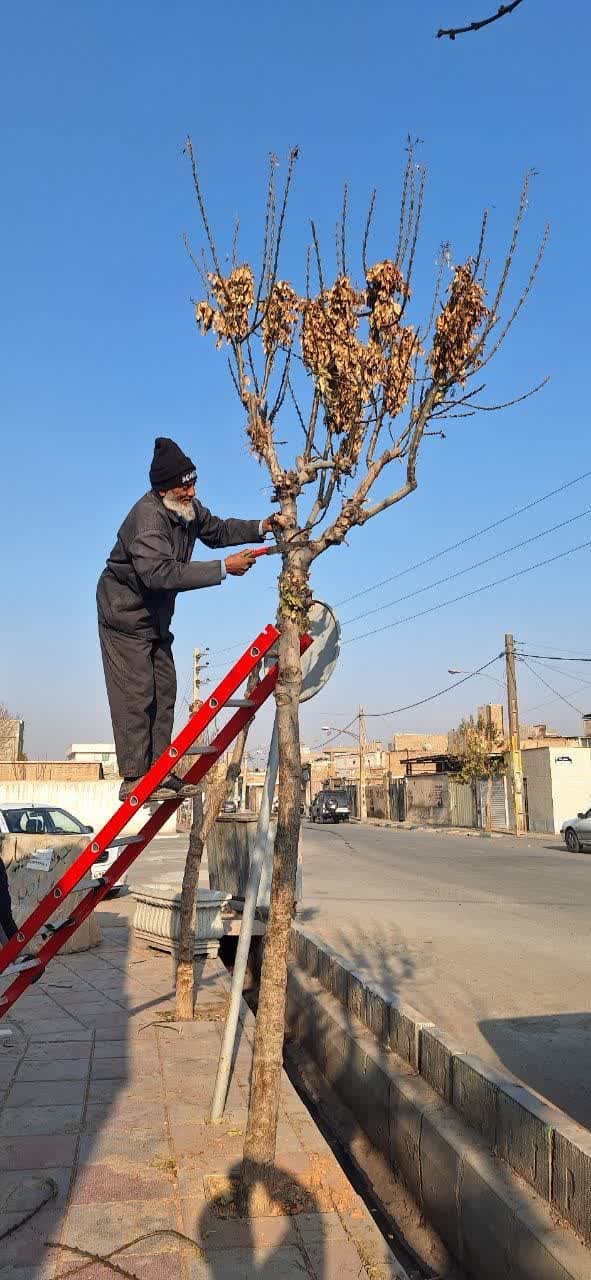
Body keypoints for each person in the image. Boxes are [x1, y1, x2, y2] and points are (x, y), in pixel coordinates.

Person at [97, 437, 281, 801]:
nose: (192, 491)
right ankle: (135, 777)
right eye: (185, 485)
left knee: (164, 689)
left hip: (155, 620)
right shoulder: (147, 520)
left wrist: (263, 525)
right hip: (124, 619)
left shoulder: (186, 507)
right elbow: (161, 574)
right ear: (165, 488)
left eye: (193, 483)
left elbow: (218, 530)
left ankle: (159, 773)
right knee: (137, 693)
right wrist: (223, 569)